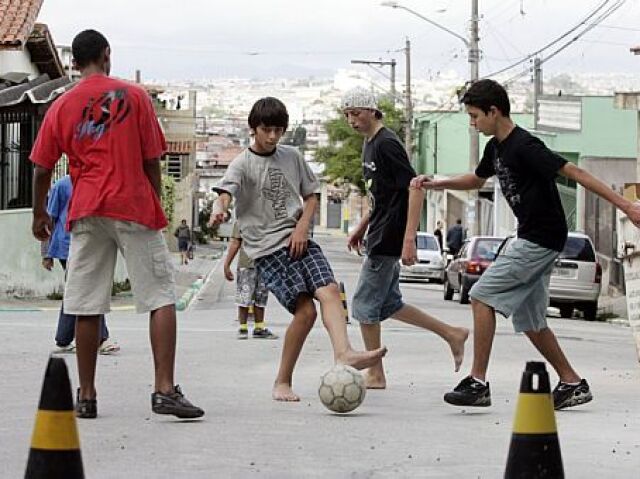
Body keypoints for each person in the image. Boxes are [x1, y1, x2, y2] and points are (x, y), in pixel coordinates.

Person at [405, 78, 640, 410]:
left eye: (475, 117)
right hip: (533, 235)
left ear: (494, 110)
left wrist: (627, 206)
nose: (472, 124)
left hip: (540, 238)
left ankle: (477, 382)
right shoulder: (496, 148)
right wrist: (436, 182)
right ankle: (572, 382)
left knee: (480, 295)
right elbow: (476, 179)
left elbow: (576, 173)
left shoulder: (525, 146)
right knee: (531, 321)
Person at [30, 29, 203, 420]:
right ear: (107, 55)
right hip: (133, 205)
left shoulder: (61, 105)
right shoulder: (135, 97)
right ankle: (163, 390)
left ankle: (87, 395)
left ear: (73, 62)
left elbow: (42, 167)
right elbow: (151, 159)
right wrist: (156, 201)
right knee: (159, 296)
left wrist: (40, 214)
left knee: (86, 304)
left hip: (86, 208)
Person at [209, 97, 387, 402]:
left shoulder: (291, 156)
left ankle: (344, 353)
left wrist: (303, 226)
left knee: (329, 290)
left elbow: (311, 195)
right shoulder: (243, 163)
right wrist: (219, 209)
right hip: (268, 250)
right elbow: (226, 192)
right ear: (254, 129)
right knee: (305, 313)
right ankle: (282, 381)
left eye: (279, 130)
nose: (273, 137)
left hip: (300, 239)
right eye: (267, 130)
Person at [341, 87, 469, 390]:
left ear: (372, 110)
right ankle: (452, 333)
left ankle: (375, 372)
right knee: (388, 304)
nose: (352, 120)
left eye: (356, 113)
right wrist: (361, 226)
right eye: (347, 114)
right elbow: (380, 196)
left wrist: (409, 239)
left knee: (363, 305)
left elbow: (415, 187)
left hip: (391, 235)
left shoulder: (387, 144)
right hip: (380, 229)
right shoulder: (369, 145)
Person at [42, 174, 119, 355]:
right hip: (65, 245)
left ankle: (63, 338)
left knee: (77, 290)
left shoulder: (94, 181)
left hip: (87, 241)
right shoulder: (61, 186)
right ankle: (100, 338)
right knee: (88, 289)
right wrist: (46, 253)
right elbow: (49, 219)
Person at [224, 221, 278, 340]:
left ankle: (259, 328)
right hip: (246, 264)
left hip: (264, 264)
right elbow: (235, 242)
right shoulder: (241, 219)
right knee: (244, 297)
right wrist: (227, 264)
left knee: (261, 297)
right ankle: (243, 328)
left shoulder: (269, 219)